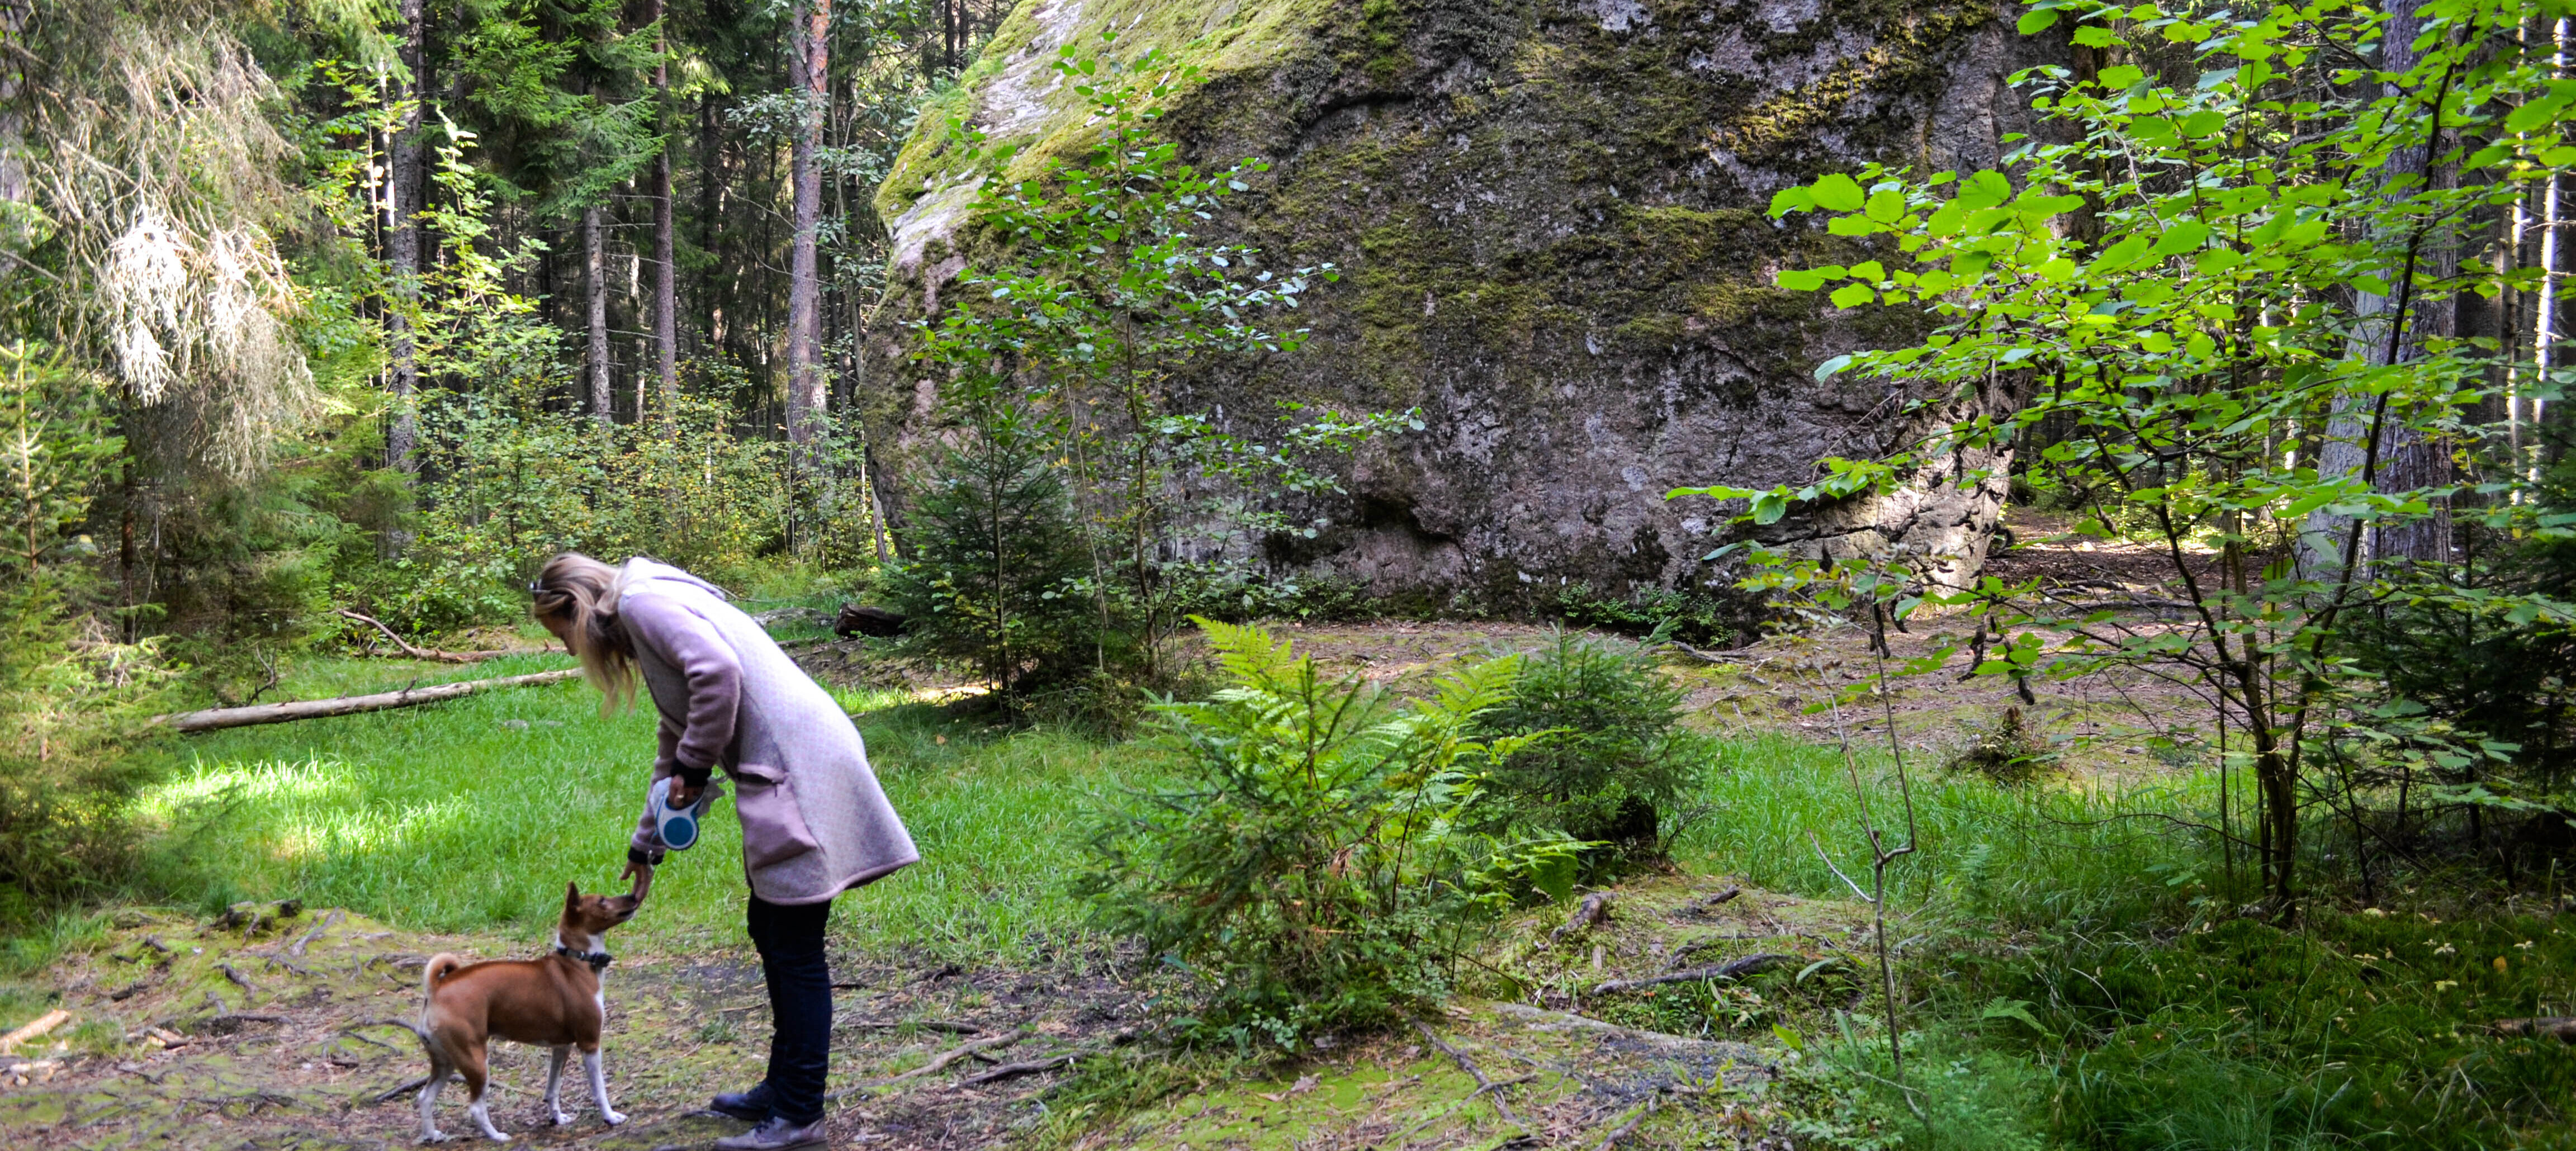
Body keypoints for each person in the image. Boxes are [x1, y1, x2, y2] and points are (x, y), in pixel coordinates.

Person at [530, 553, 918, 1150]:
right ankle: (783, 1089)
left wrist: (693, 765)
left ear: (574, 608)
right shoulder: (645, 605)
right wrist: (646, 844)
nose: (567, 650)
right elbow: (677, 730)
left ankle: (799, 1116)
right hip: (793, 760)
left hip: (799, 764)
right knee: (770, 925)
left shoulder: (640, 602)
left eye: (561, 635)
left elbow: (717, 673)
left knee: (794, 943)